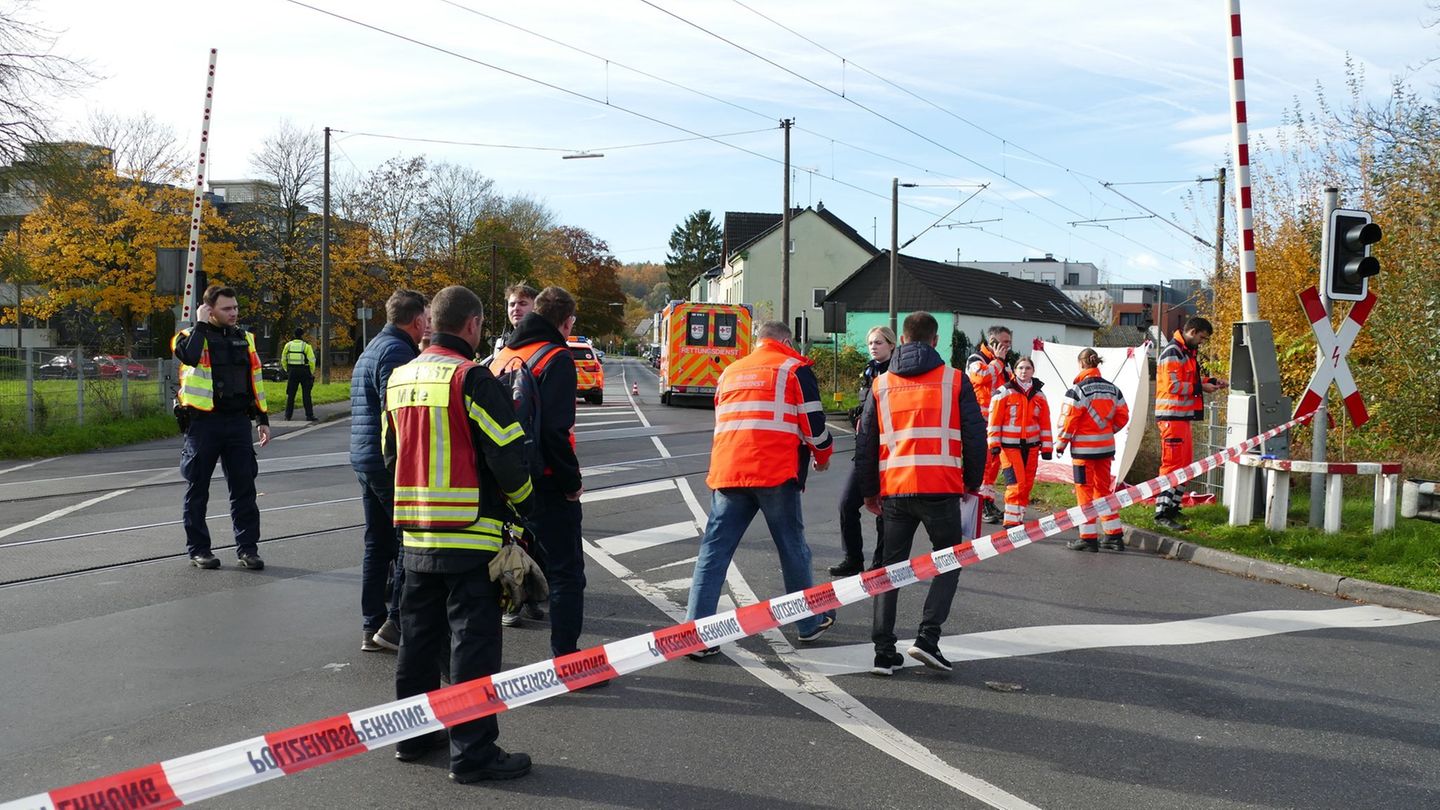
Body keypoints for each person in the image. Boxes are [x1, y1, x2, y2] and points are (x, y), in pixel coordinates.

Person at [384, 285, 535, 782]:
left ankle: (413, 736)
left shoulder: (400, 377)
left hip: (415, 536)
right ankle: (472, 754)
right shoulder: (472, 378)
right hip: (470, 535)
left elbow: (391, 456)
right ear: (472, 325)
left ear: (431, 324)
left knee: (418, 643)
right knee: (472, 646)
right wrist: (526, 505)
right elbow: (507, 456)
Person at [686, 320, 837, 657]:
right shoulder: (793, 368)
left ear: (758, 341)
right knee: (792, 547)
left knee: (714, 552)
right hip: (774, 472)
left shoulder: (730, 372)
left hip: (728, 472)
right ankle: (807, 624)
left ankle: (697, 635)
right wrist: (822, 455)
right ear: (785, 340)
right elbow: (813, 426)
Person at [856, 312, 986, 675]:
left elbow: (865, 442)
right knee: (949, 561)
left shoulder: (881, 384)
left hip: (895, 491)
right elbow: (976, 436)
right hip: (941, 489)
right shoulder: (955, 381)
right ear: (935, 340)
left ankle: (883, 651)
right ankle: (928, 638)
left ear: (902, 338)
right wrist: (972, 482)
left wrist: (869, 492)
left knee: (890, 568)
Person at [488, 286, 588, 656]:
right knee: (566, 572)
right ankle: (567, 658)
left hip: (504, 479)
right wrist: (571, 483)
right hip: (545, 481)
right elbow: (554, 432)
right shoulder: (556, 357)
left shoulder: (505, 355)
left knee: (500, 562)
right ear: (565, 322)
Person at [349, 289, 429, 652]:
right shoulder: (398, 351)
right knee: (404, 544)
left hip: (365, 458)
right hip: (385, 462)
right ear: (417, 321)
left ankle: (371, 625)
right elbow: (396, 410)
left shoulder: (373, 348)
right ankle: (395, 624)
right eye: (426, 319)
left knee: (376, 544)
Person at [172, 284, 271, 570]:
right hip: (204, 424)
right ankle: (199, 550)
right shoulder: (188, 337)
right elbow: (189, 357)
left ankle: (248, 549)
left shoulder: (246, 339)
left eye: (235, 307)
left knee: (244, 489)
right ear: (209, 309)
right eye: (227, 308)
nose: (234, 313)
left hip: (238, 422)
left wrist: (262, 419)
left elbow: (255, 381)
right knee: (197, 489)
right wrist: (200, 325)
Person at [830, 325, 895, 576]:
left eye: (878, 342)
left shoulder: (897, 373)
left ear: (891, 344)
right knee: (847, 504)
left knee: (884, 511)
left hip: (889, 452)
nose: (873, 347)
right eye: (870, 343)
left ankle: (880, 564)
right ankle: (853, 558)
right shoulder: (869, 371)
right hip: (865, 451)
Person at [1154, 316, 1228, 532]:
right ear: (1193, 332)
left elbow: (1188, 381)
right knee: (1171, 466)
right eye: (1202, 338)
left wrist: (1210, 382)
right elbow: (1174, 386)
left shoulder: (1185, 353)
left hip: (1181, 418)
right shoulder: (1173, 353)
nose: (1202, 342)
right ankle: (1162, 513)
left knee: (1184, 465)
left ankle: (1173, 507)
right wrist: (1201, 388)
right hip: (1171, 418)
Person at [1056, 348, 1131, 552]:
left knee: (1084, 493)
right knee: (1104, 492)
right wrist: (1107, 431)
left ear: (1081, 364)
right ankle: (1114, 536)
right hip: (1105, 450)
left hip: (1083, 453)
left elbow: (1068, 421)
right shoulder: (1113, 389)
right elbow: (1123, 416)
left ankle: (1088, 538)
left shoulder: (1077, 391)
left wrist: (1061, 444)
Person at [987, 356, 1053, 527]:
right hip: (1009, 447)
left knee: (1027, 485)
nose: (1024, 371)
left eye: (1028, 368)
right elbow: (994, 420)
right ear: (1015, 371)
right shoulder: (1004, 392)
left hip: (1031, 447)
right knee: (1016, 484)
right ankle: (1011, 523)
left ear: (1033, 371)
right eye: (1021, 368)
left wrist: (1047, 448)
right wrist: (994, 444)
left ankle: (1018, 518)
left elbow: (1045, 423)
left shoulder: (1039, 395)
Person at [967, 325, 1014, 524]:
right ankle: (979, 502)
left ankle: (988, 500)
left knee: (993, 465)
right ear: (992, 342)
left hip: (997, 422)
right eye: (1004, 343)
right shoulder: (975, 360)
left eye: (1009, 343)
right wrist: (999, 361)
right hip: (980, 421)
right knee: (983, 464)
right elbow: (982, 378)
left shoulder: (1003, 363)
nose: (1008, 347)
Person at [279, 327, 317, 421]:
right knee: (306, 395)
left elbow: (283, 359)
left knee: (291, 395)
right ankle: (309, 415)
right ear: (302, 335)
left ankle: (288, 416)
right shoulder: (306, 346)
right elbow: (312, 360)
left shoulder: (288, 345)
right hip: (304, 371)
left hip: (292, 371)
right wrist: (311, 372)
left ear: (294, 335)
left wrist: (287, 369)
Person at [490, 282, 538, 357]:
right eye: (512, 305)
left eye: (522, 304)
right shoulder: (501, 344)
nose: (516, 308)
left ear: (536, 308)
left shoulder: (548, 341)